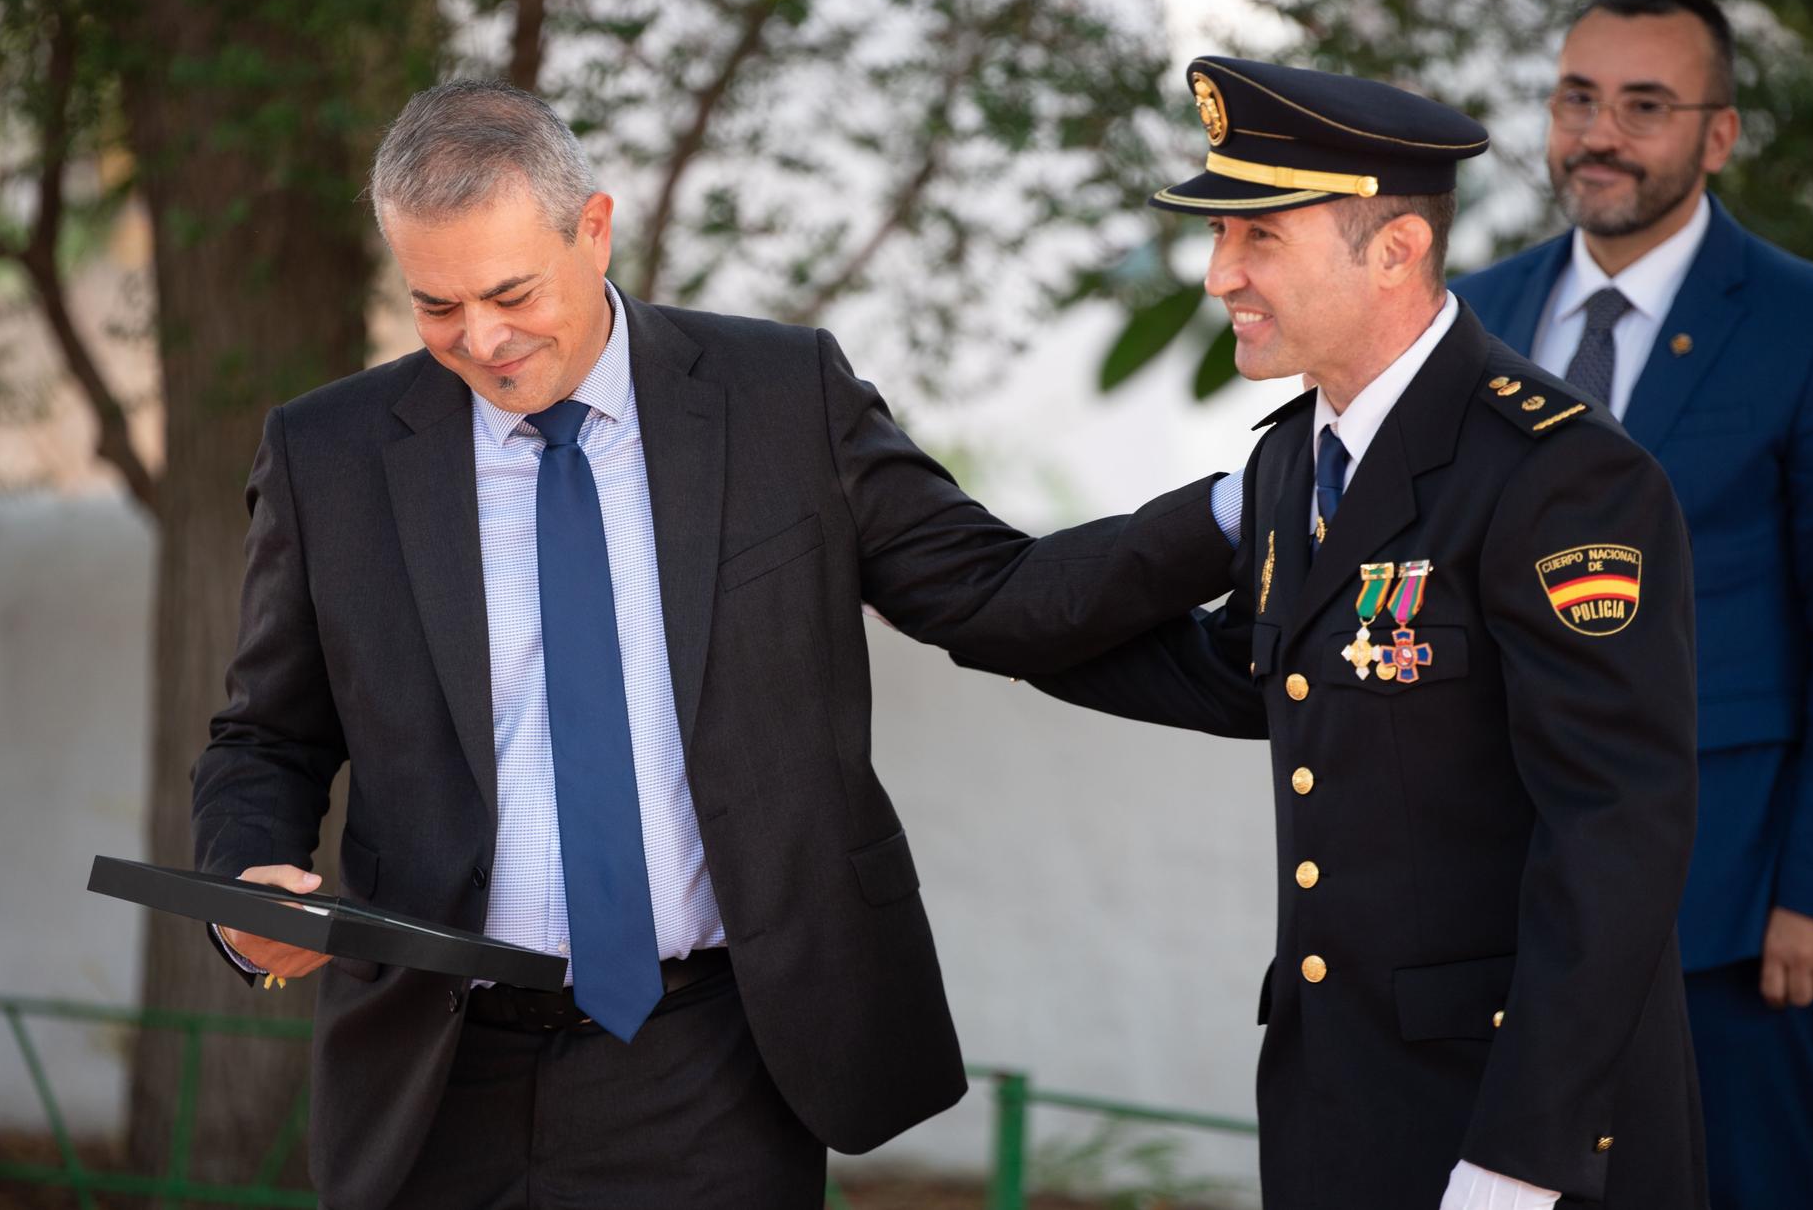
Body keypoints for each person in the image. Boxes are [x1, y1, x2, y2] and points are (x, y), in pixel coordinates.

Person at [189, 79, 1239, 1209]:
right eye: (434, 305)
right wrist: (246, 888)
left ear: (593, 228)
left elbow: (991, 592)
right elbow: (265, 735)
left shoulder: (782, 397)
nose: (480, 341)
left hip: (713, 1061)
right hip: (434, 1074)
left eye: (510, 291)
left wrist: (1241, 508)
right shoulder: (328, 453)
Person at [964, 56, 1705, 1208]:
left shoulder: (1558, 477)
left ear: (1394, 250)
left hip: (1507, 1123)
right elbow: (1236, 671)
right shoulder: (1290, 458)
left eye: (1257, 237)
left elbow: (1614, 839)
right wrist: (990, 608)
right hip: (1338, 1098)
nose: (1219, 275)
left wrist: (1518, 1159)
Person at [1454, 0, 1813, 1210]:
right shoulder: (1473, 313)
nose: (1599, 135)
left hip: (1727, 903)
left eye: (1642, 104)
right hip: (1499, 889)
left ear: (1715, 133)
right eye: (1577, 98)